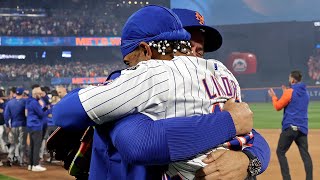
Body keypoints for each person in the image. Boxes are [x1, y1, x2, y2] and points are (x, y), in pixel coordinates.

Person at [53, 5, 268, 179]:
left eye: (199, 50)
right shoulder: (133, 81)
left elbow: (253, 136)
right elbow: (137, 143)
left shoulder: (207, 80)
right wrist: (228, 123)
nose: (192, 57)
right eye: (185, 45)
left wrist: (247, 161)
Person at [268, 70, 313, 180]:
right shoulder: (306, 94)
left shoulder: (289, 92)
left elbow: (278, 106)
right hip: (302, 128)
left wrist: (274, 97)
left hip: (290, 128)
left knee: (280, 152)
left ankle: (287, 178)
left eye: (289, 78)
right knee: (305, 155)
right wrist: (286, 92)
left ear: (292, 79)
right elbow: (295, 103)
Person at [26, 87, 51, 172]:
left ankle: (31, 164)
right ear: (35, 94)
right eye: (39, 94)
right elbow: (41, 114)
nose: (41, 95)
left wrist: (43, 109)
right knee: (36, 146)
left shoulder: (30, 101)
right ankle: (35, 164)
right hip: (36, 126)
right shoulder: (34, 102)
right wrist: (47, 109)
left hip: (31, 125)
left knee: (32, 146)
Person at [4, 87, 27, 166]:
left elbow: (6, 115)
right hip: (23, 124)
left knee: (14, 143)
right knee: (22, 143)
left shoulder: (10, 102)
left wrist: (7, 125)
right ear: (22, 93)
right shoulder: (25, 101)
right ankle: (21, 161)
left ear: (16, 93)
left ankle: (10, 157)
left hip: (13, 125)